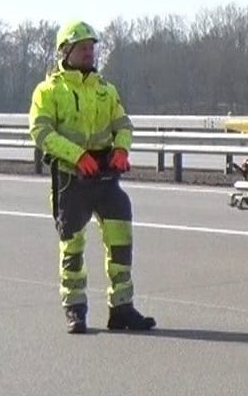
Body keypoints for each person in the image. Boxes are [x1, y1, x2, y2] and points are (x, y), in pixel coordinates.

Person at [28, 20, 156, 335]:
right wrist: (77, 156)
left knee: (121, 240)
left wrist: (122, 150)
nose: (89, 53)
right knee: (72, 247)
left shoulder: (105, 90)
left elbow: (123, 125)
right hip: (73, 181)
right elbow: (41, 132)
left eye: (91, 47)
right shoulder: (49, 91)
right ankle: (75, 310)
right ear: (65, 51)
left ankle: (122, 309)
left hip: (106, 179)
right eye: (83, 47)